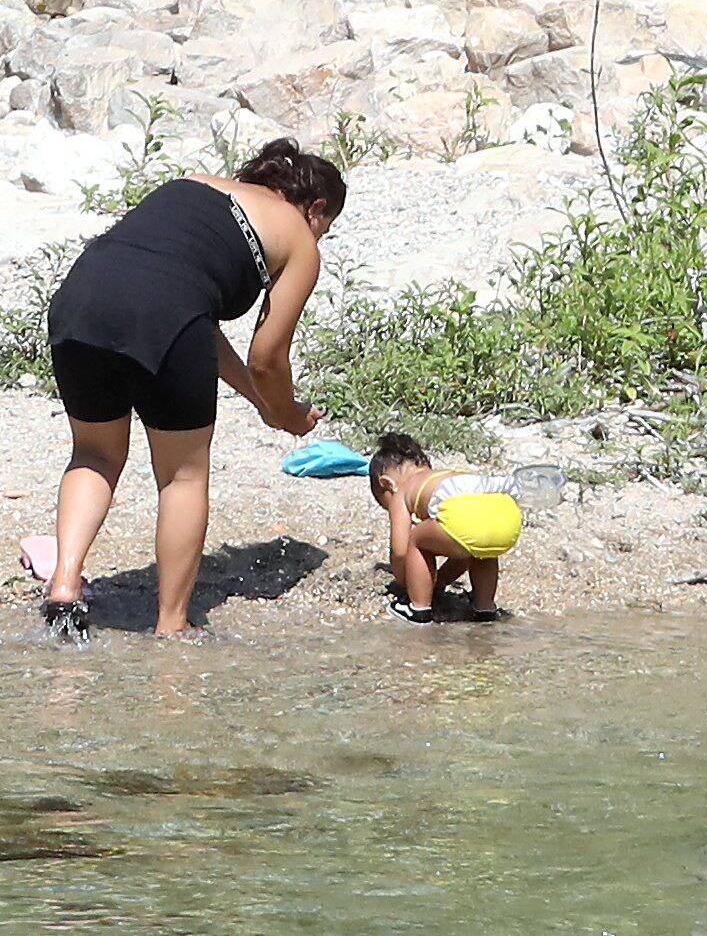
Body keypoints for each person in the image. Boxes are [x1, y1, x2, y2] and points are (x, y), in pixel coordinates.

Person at [36, 139, 346, 644]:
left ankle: (66, 584)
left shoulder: (196, 185)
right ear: (315, 208)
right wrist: (286, 411)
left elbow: (195, 322)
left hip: (80, 300)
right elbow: (267, 357)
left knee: (94, 454)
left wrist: (258, 402)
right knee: (182, 476)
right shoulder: (299, 239)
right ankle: (172, 624)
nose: (319, 239)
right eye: (326, 229)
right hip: (165, 315)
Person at [364, 431, 512, 622]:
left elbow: (400, 552)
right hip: (502, 514)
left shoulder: (401, 492)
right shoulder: (445, 477)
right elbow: (464, 552)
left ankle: (419, 609)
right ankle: (485, 608)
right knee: (480, 549)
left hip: (470, 520)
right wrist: (439, 580)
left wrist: (409, 583)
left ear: (387, 485)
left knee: (416, 539)